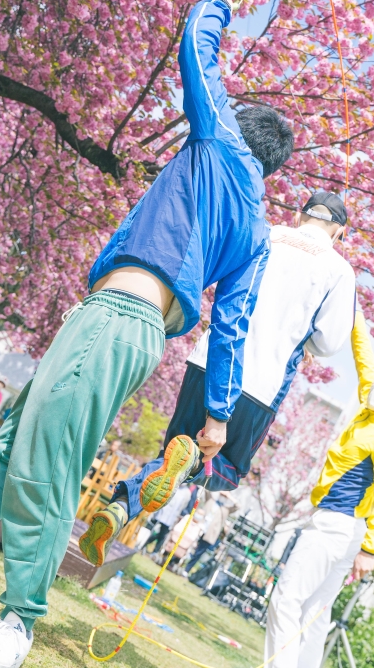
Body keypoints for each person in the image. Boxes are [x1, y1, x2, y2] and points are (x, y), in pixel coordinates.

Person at [0, 0, 294, 667]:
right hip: (129, 329)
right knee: (13, 443)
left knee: (49, 463)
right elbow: (231, 327)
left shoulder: (217, 138)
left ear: (239, 124)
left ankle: (18, 622)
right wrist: (219, 418)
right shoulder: (258, 234)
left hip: (116, 318)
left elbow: (197, 48)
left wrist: (222, 4)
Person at [81, 190, 355, 566]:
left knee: (169, 458)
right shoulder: (339, 270)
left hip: (207, 363)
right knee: (226, 470)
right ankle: (185, 462)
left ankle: (119, 509)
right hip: (260, 384)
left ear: (299, 215)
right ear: (338, 232)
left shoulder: (264, 235)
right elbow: (330, 340)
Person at [263, 309, 374, 668]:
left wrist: (371, 548)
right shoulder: (369, 403)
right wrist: (353, 308)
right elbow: (363, 354)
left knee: (286, 600)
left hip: (339, 525)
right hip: (342, 528)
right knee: (315, 613)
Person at [183, 491, 236, 576]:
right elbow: (207, 490)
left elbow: (238, 506)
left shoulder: (225, 509)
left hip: (210, 534)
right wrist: (220, 490)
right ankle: (175, 562)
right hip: (199, 529)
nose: (222, 496)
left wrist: (229, 496)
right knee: (187, 544)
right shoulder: (211, 501)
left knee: (198, 552)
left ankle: (186, 570)